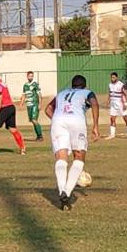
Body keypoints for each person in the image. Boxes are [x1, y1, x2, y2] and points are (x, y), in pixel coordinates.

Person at [46, 74, 101, 211]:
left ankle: (61, 190)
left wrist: (58, 120)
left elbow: (48, 109)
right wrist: (95, 126)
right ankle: (67, 192)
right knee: (79, 157)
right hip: (76, 121)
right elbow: (94, 103)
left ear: (72, 85)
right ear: (84, 85)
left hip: (58, 121)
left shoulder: (61, 93)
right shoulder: (87, 92)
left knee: (61, 157)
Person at [0, 69, 26, 157]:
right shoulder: (1, 82)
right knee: (12, 129)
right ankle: (23, 149)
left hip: (4, 108)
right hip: (11, 107)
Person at [107, 72, 127, 140]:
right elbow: (110, 93)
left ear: (116, 77)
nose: (112, 79)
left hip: (120, 103)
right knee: (112, 119)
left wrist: (125, 103)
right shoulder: (110, 84)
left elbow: (126, 94)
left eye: (113, 77)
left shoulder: (121, 85)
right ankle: (112, 135)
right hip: (113, 104)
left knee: (125, 118)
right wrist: (108, 101)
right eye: (111, 77)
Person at [20, 71, 44, 141]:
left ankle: (40, 136)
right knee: (32, 121)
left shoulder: (35, 84)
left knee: (34, 120)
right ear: (27, 76)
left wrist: (40, 104)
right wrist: (21, 103)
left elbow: (39, 95)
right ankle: (38, 136)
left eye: (32, 76)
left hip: (34, 104)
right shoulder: (25, 85)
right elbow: (24, 95)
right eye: (29, 76)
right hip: (29, 105)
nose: (30, 77)